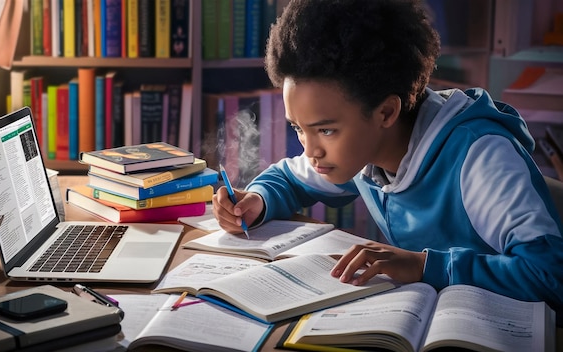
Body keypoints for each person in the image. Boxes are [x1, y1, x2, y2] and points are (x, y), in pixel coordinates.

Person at [212, 0, 563, 312]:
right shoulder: (359, 147)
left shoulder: (478, 155)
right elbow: (289, 177)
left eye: (326, 130)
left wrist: (425, 267)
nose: (311, 149)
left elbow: (550, 275)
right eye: (298, 128)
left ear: (386, 113)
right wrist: (257, 200)